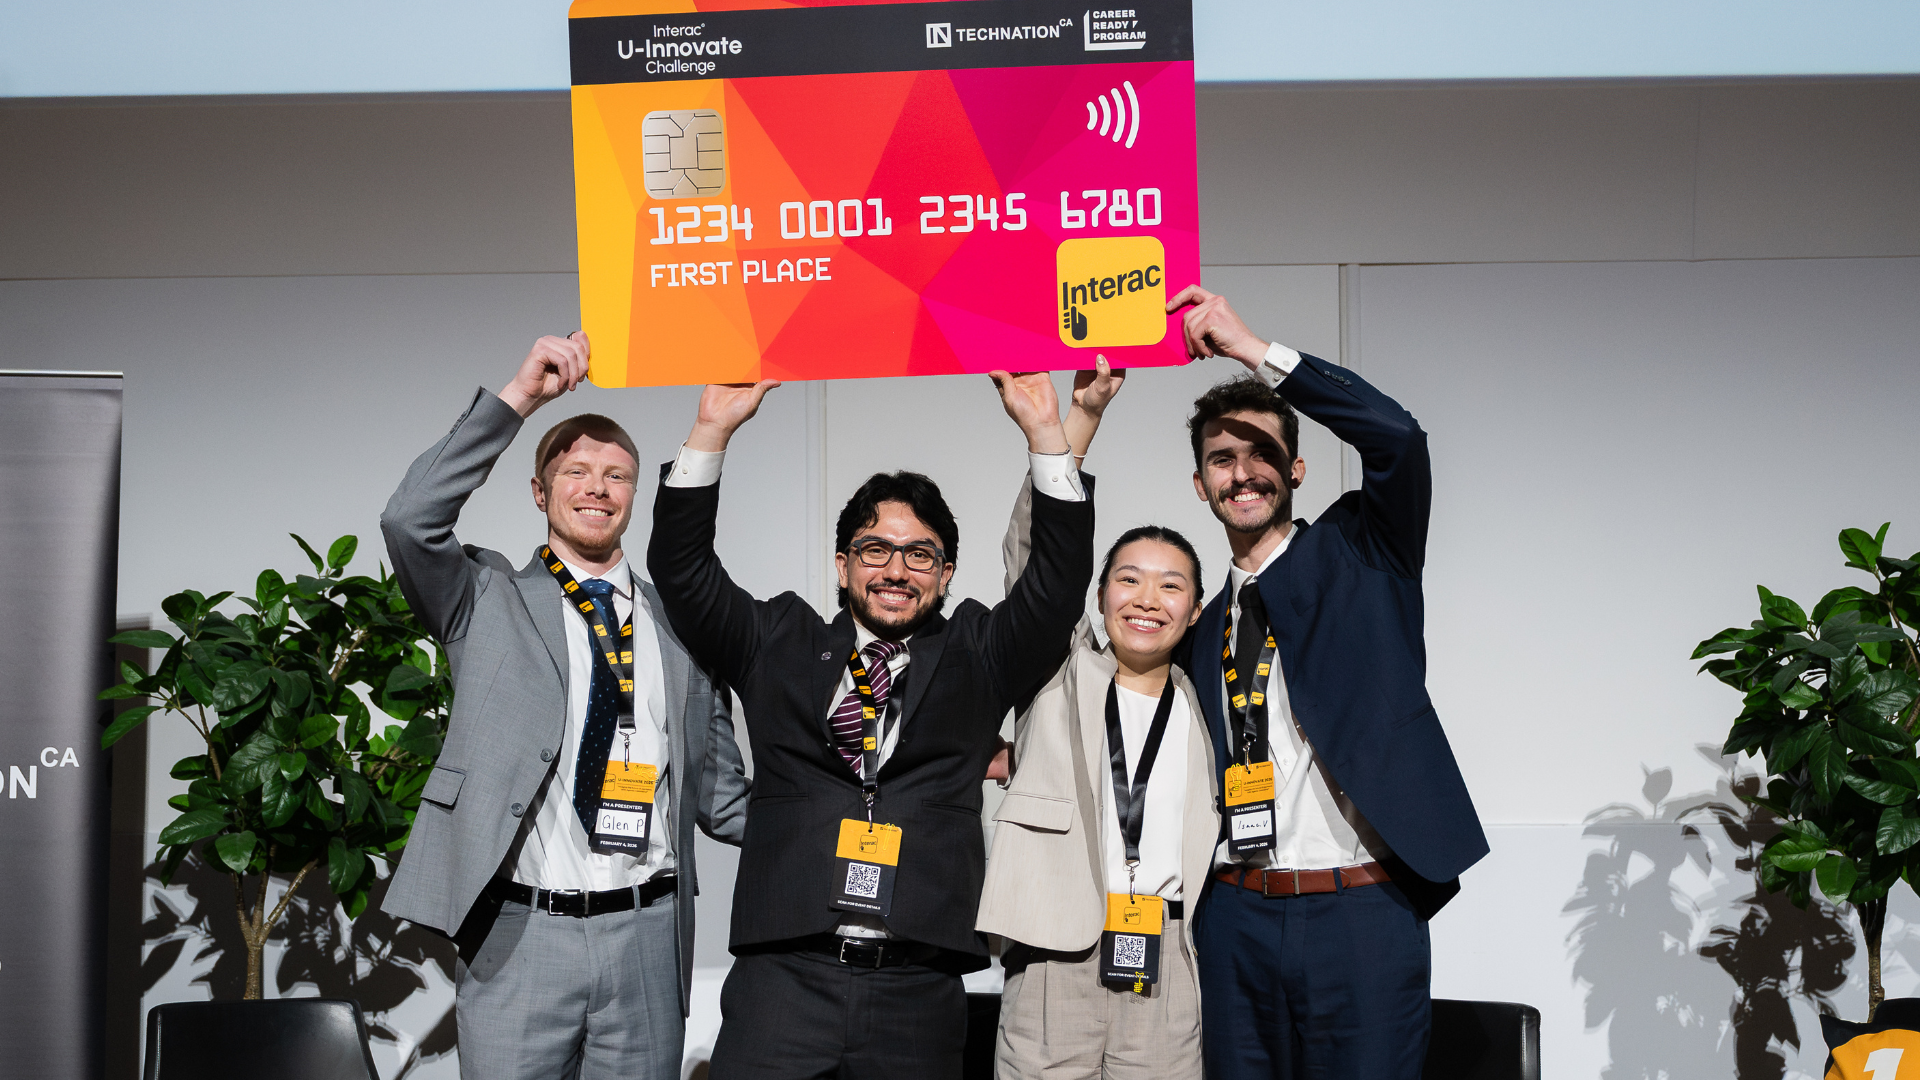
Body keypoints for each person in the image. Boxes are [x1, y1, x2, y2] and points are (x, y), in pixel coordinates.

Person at [645, 370, 1096, 1080]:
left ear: (946, 574)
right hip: (783, 980)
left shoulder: (976, 651)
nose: (896, 570)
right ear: (843, 563)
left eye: (920, 554)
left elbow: (1055, 587)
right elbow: (683, 571)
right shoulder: (777, 639)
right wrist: (712, 430)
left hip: (917, 989)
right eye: (874, 550)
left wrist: (1046, 435)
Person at [379, 332, 750, 1080]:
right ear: (540, 492)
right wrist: (521, 398)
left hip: (648, 937)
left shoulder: (679, 626)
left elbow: (725, 800)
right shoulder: (485, 599)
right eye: (575, 470)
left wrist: (885, 803)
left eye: (616, 475)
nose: (597, 488)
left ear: (634, 496)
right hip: (522, 935)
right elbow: (409, 519)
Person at [1166, 286, 1489, 1079]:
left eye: (1262, 452)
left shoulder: (1365, 552)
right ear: (1200, 486)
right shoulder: (1200, 629)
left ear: (1298, 467)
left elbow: (1398, 440)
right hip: (1234, 913)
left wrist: (1255, 352)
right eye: (1221, 460)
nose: (1243, 473)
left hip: (1363, 911)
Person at [976, 359, 1219, 1080]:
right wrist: (1074, 424)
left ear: (1195, 610)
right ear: (1100, 595)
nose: (1147, 599)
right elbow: (1033, 559)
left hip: (1168, 960)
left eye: (1171, 584)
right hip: (1057, 953)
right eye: (1128, 579)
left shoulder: (1209, 703)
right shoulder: (1058, 669)